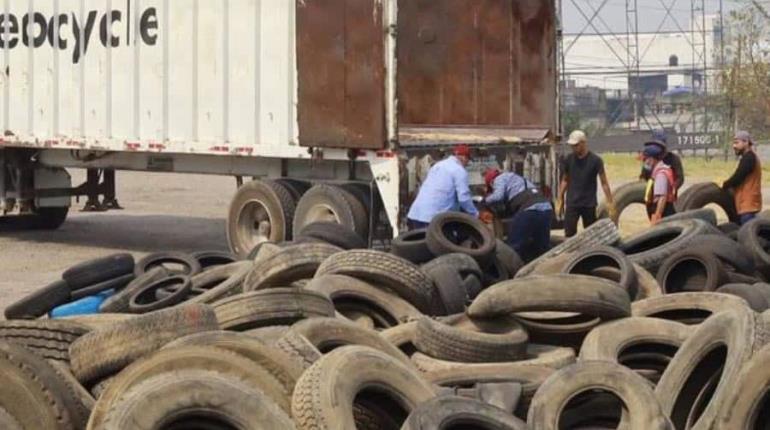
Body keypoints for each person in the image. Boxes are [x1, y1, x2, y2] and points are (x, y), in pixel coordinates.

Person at [483, 168, 552, 261]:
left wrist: (484, 200)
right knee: (542, 247)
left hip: (530, 209)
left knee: (514, 245)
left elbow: (498, 197)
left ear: (491, 183)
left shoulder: (499, 179)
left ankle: (511, 271)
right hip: (546, 208)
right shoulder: (518, 178)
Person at [407, 144, 478, 229]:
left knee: (420, 242)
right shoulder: (459, 170)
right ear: (463, 158)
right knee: (447, 241)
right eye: (468, 160)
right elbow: (464, 198)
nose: (467, 163)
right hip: (434, 218)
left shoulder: (438, 165)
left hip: (416, 214)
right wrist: (474, 214)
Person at [558, 130, 614, 237]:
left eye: (576, 145)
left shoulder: (596, 161)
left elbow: (604, 183)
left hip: (589, 204)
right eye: (572, 146)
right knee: (569, 233)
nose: (573, 148)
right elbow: (565, 180)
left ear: (583, 143)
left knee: (591, 234)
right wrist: (560, 198)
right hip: (572, 203)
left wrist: (610, 202)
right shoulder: (568, 159)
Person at [723, 130, 762, 225]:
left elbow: (739, 176)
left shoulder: (749, 158)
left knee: (747, 234)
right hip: (745, 204)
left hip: (748, 205)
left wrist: (726, 185)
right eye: (733, 143)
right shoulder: (747, 157)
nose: (734, 146)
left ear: (746, 142)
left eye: (737, 142)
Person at [642, 144, 676, 224]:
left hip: (664, 212)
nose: (645, 162)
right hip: (663, 210)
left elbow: (662, 197)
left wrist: (657, 217)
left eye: (645, 159)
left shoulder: (661, 174)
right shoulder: (658, 171)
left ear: (652, 159)